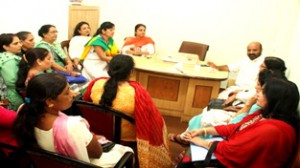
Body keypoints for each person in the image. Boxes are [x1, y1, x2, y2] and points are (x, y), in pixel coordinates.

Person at [12, 73, 133, 167]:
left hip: (49, 163)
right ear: (49, 102)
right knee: (128, 151)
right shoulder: (73, 125)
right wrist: (89, 135)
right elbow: (97, 153)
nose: (73, 94)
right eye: (67, 92)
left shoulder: (23, 110)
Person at [183, 78, 299, 167]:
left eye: (263, 92)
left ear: (275, 99)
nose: (257, 94)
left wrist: (204, 143)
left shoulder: (273, 129)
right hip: (233, 151)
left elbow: (234, 151)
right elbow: (236, 127)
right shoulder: (263, 113)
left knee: (191, 156)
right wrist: (203, 130)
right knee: (193, 147)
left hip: (240, 163)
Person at [83, 55, 172, 168]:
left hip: (99, 132)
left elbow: (86, 107)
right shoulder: (137, 93)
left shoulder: (96, 83)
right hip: (124, 139)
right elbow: (151, 119)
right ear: (131, 72)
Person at [0, 33, 24, 110]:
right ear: (5, 47)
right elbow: (12, 81)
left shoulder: (2, 56)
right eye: (16, 43)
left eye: (20, 42)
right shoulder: (9, 60)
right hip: (12, 95)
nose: (20, 45)